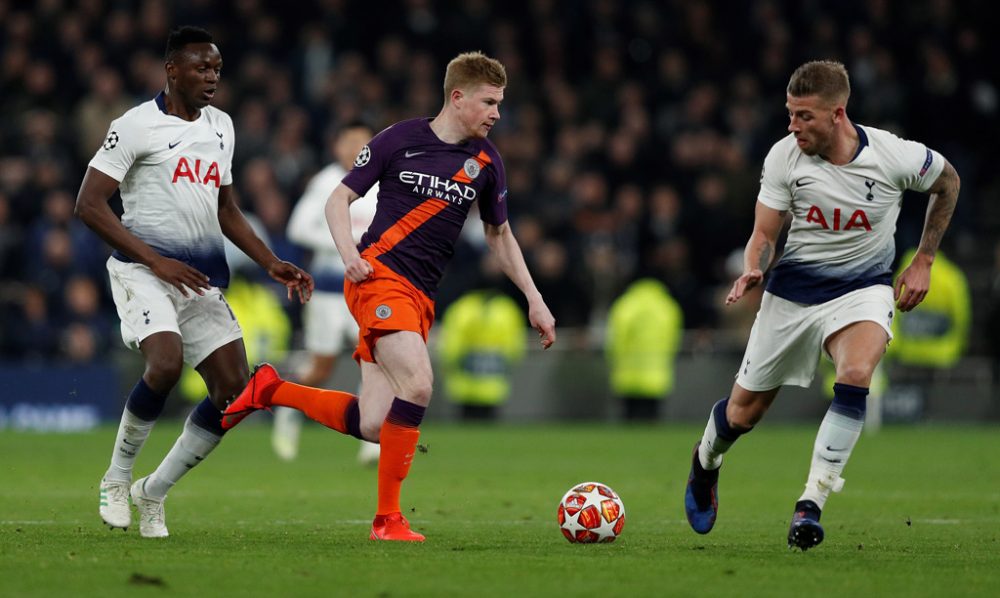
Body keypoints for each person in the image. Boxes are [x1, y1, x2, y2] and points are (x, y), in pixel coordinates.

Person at [222, 51, 557, 542]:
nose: (496, 114)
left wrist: (534, 297)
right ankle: (387, 520)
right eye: (489, 102)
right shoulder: (398, 140)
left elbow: (499, 235)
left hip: (420, 297)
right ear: (457, 97)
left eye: (500, 103)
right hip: (379, 280)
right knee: (419, 385)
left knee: (376, 423)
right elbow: (339, 199)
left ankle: (270, 389)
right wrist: (347, 254)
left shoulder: (487, 162)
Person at [683, 60, 960, 550]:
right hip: (792, 295)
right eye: (790, 115)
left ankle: (811, 503)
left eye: (804, 117)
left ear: (838, 113)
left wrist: (924, 259)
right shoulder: (784, 157)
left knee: (855, 374)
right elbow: (764, 235)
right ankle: (705, 463)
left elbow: (948, 182)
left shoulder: (893, 155)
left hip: (863, 290)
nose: (793, 126)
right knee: (743, 416)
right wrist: (754, 267)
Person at [76, 26, 313, 538]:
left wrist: (270, 261)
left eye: (217, 69)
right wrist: (156, 262)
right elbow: (89, 204)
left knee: (235, 393)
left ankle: (152, 491)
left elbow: (226, 208)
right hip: (142, 270)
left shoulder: (222, 126)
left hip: (198, 278)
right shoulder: (135, 125)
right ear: (171, 69)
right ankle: (116, 479)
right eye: (201, 68)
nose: (212, 77)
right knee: (164, 363)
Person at [275, 121, 380, 463]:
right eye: (348, 141)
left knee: (374, 360)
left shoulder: (381, 181)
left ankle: (370, 438)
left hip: (366, 290)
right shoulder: (324, 182)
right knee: (321, 368)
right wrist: (344, 244)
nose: (355, 148)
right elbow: (298, 228)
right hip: (329, 292)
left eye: (362, 142)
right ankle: (287, 412)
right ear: (337, 147)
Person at [605, 277, 683, 421]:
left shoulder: (625, 305)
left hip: (627, 373)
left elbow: (616, 338)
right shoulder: (667, 307)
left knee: (629, 419)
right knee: (651, 421)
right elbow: (674, 339)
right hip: (656, 374)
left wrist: (614, 360)